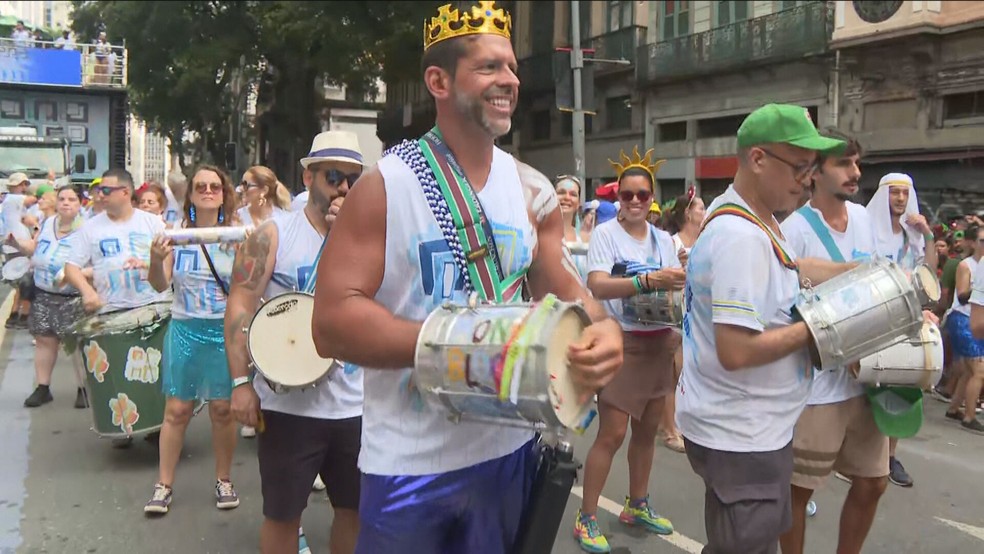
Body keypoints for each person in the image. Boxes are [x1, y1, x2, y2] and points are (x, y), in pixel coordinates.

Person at [311, 3, 622, 552]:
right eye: (489, 67)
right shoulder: (386, 186)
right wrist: (468, 348)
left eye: (512, 68)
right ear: (439, 81)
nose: (510, 80)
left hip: (509, 451)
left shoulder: (533, 191)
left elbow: (567, 293)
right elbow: (331, 323)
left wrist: (604, 328)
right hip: (409, 462)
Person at [676, 104, 854, 554]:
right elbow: (736, 350)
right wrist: (818, 326)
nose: (806, 180)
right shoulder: (741, 238)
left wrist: (853, 272)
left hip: (749, 429)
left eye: (811, 169)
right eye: (799, 167)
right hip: (741, 435)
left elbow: (792, 266)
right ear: (758, 159)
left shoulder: (752, 216)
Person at [224, 131, 365, 554]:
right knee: (283, 515)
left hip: (357, 403)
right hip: (287, 405)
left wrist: (350, 237)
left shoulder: (371, 238)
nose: (344, 188)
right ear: (308, 177)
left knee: (355, 511)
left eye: (353, 179)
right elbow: (239, 304)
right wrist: (240, 383)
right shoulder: (273, 235)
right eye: (334, 177)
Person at [777, 133, 893, 554]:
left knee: (874, 482)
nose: (855, 172)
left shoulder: (862, 218)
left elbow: (880, 279)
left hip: (867, 379)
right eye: (844, 163)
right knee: (798, 490)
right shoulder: (793, 229)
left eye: (857, 163)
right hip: (818, 386)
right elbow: (784, 302)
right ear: (814, 173)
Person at [574, 148, 683, 553]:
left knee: (647, 432)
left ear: (652, 198)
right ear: (618, 197)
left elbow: (674, 285)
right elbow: (598, 286)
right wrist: (647, 281)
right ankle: (586, 517)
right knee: (613, 434)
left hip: (659, 342)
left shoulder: (663, 240)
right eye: (627, 195)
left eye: (642, 195)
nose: (635, 201)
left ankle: (637, 504)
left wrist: (675, 281)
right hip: (623, 342)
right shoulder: (606, 235)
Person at [144, 166, 242, 515]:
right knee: (177, 410)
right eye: (201, 186)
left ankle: (224, 479)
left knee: (223, 410)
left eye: (215, 186)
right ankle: (163, 485)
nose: (208, 191)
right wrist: (155, 260)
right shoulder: (175, 235)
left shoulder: (236, 235)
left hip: (223, 331)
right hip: (185, 328)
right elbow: (159, 284)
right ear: (190, 194)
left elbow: (249, 286)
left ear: (224, 193)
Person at [865, 172, 938, 488]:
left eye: (905, 193)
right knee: (869, 387)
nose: (900, 198)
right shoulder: (867, 231)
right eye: (894, 192)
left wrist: (928, 235)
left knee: (901, 384)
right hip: (873, 318)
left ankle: (890, 457)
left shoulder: (912, 235)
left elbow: (927, 273)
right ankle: (862, 456)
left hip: (906, 319)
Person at [19, 186, 87, 408]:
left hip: (73, 296)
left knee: (78, 345)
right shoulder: (48, 223)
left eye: (71, 199)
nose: (66, 203)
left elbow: (96, 263)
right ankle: (43, 387)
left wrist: (74, 276)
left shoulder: (87, 229)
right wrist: (15, 243)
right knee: (44, 340)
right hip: (44, 293)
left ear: (80, 203)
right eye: (62, 199)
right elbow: (34, 248)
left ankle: (84, 389)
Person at [944, 224, 984, 433]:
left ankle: (953, 408)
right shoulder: (966, 265)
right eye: (982, 241)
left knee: (968, 371)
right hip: (962, 319)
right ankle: (969, 417)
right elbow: (961, 296)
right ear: (971, 243)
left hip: (976, 320)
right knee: (978, 370)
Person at [3, 173, 38, 329]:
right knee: (26, 282)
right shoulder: (12, 198)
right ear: (14, 186)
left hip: (18, 245)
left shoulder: (15, 204)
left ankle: (15, 314)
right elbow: (33, 199)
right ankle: (23, 315)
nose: (24, 188)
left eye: (25, 184)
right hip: (16, 246)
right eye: (21, 184)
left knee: (21, 283)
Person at [555, 175, 590, 281]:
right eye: (561, 192)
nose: (567, 197)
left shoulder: (587, 239)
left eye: (573, 194)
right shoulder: (539, 234)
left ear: (578, 203)